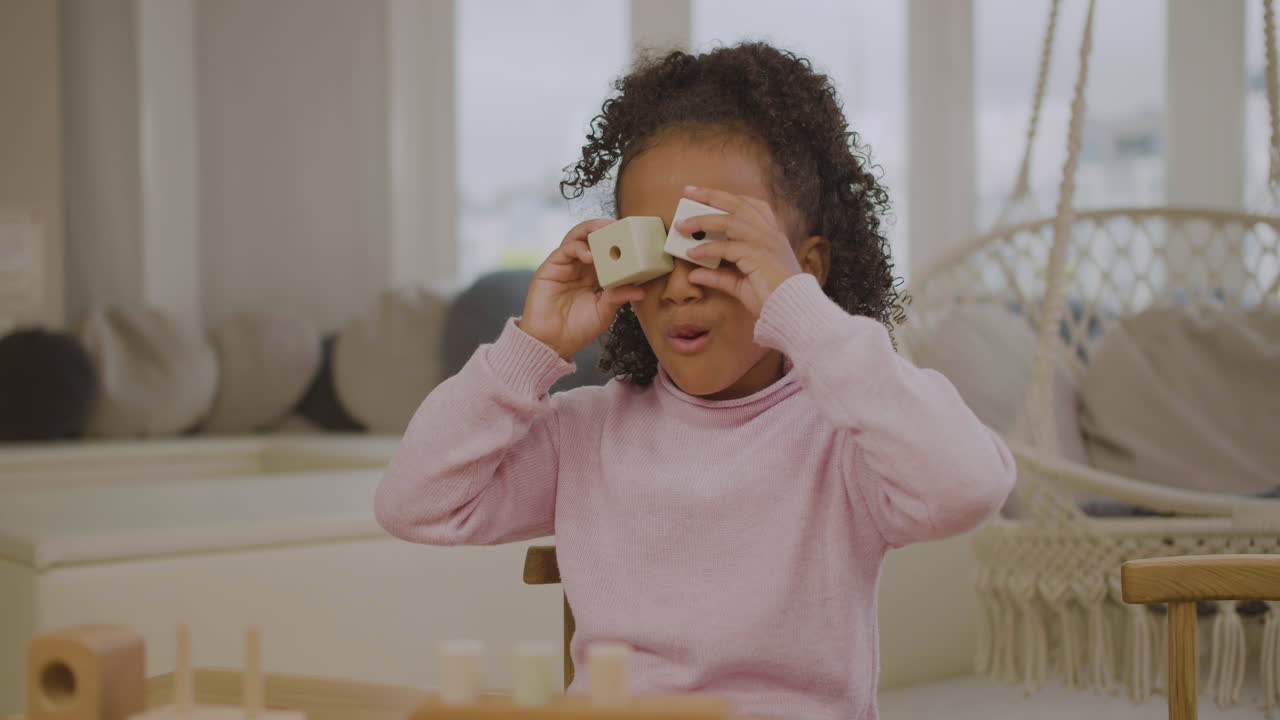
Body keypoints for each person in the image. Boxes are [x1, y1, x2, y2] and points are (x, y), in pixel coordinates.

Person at [376, 42, 1015, 720]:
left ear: (803, 268)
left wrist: (799, 311)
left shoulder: (844, 439)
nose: (680, 288)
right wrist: (531, 348)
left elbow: (968, 486)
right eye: (653, 253)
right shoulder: (587, 435)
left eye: (716, 249)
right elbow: (414, 503)